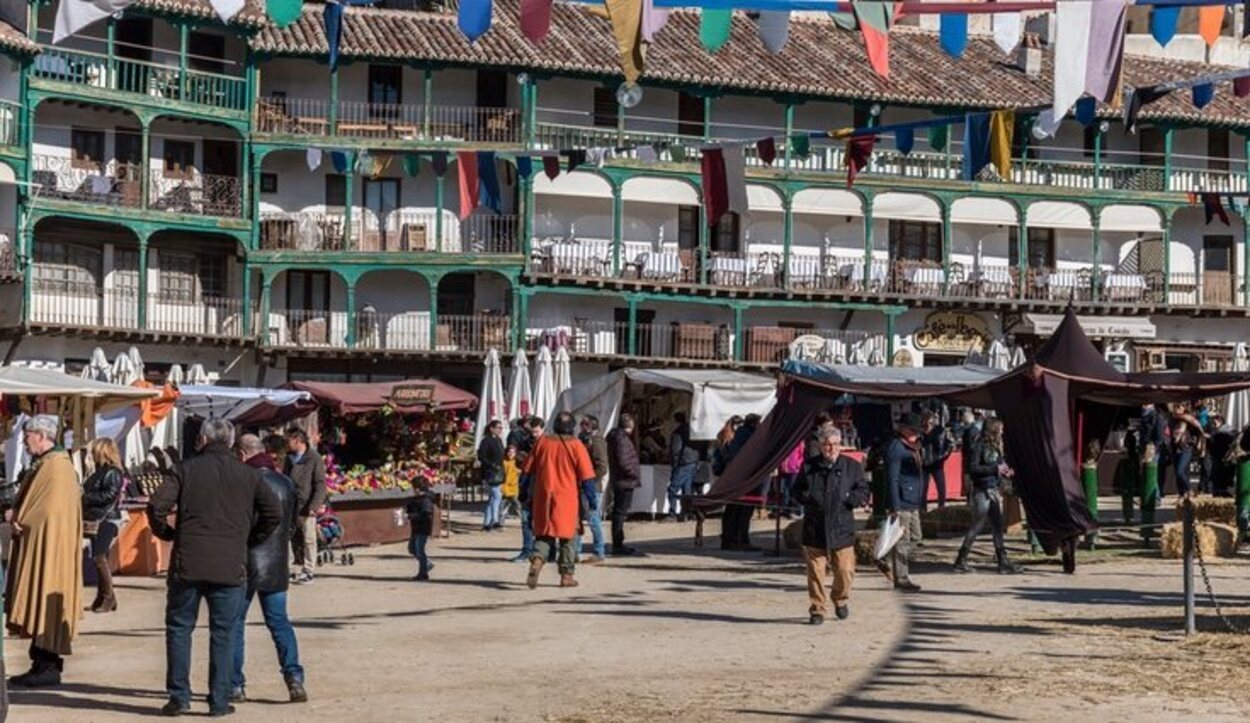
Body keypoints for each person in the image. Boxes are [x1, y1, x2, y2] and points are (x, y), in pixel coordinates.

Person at [148, 418, 282, 717]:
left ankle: (179, 696)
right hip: (231, 563)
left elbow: (156, 505)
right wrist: (249, 538)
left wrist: (168, 534)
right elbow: (274, 513)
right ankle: (219, 700)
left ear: (203, 440)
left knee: (180, 629)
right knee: (224, 632)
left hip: (188, 562)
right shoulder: (248, 475)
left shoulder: (184, 470)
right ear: (232, 442)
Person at [6, 415, 83, 688]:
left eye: (27, 436)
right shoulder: (47, 464)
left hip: (52, 548)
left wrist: (21, 518)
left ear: (41, 435)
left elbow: (50, 511)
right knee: (39, 597)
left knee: (46, 595)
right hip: (43, 544)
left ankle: (47, 665)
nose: (25, 442)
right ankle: (40, 662)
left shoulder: (57, 468)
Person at [230, 434, 307, 705]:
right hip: (275, 561)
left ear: (242, 454)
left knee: (236, 623)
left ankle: (235, 684)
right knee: (279, 622)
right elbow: (292, 524)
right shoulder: (285, 482)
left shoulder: (242, 482)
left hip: (245, 561)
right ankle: (294, 678)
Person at [793, 427, 869, 625]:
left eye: (835, 444)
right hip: (815, 527)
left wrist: (851, 500)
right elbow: (796, 491)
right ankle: (817, 609)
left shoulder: (851, 466)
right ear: (820, 445)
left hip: (841, 527)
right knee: (815, 573)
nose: (831, 448)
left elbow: (863, 490)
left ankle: (840, 599)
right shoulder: (808, 466)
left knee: (845, 571)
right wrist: (807, 498)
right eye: (827, 444)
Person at [524, 411, 595, 589]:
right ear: (572, 427)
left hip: (543, 496)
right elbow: (587, 478)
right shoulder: (576, 445)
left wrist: (523, 493)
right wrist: (592, 501)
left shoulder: (542, 442)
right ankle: (566, 576)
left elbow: (526, 471)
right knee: (568, 536)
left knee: (544, 534)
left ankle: (538, 560)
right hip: (567, 497)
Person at [953, 419, 1021, 575]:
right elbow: (973, 468)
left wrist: (1006, 471)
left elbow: (999, 464)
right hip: (981, 490)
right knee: (977, 524)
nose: (1003, 431)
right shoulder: (978, 446)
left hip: (993, 489)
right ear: (994, 429)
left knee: (997, 525)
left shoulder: (996, 447)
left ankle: (1003, 561)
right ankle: (960, 560)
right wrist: (994, 469)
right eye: (1001, 428)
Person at [82, 437, 126, 614]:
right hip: (97, 518)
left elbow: (110, 495)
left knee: (100, 557)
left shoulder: (112, 472)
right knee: (99, 557)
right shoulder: (99, 472)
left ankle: (107, 597)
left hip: (106, 519)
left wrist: (85, 498)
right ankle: (104, 596)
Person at [885, 413, 925, 593]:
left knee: (916, 538)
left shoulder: (912, 446)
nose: (917, 435)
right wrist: (894, 506)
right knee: (902, 541)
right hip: (901, 501)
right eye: (913, 431)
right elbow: (891, 479)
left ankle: (885, 560)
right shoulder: (896, 448)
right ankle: (901, 578)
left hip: (913, 499)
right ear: (903, 429)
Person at [285, 427, 327, 585]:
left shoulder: (314, 458)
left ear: (297, 440)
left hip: (307, 505)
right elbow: (285, 478)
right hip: (291, 504)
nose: (287, 444)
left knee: (309, 539)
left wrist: (315, 505)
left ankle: (309, 570)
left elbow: (320, 484)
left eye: (289, 440)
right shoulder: (289, 458)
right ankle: (288, 569)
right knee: (287, 538)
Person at [720, 414, 762, 551]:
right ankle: (741, 539)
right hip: (746, 478)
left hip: (734, 477)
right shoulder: (750, 436)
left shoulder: (738, 435)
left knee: (733, 509)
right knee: (744, 510)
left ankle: (729, 539)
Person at [606, 413, 641, 556]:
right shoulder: (622, 439)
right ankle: (618, 544)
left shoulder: (617, 438)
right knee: (620, 512)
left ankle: (618, 542)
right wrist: (632, 473)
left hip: (622, 479)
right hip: (625, 480)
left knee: (619, 512)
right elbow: (623, 460)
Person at [511, 416, 545, 562]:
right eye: (532, 432)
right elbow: (520, 463)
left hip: (542, 486)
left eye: (536, 431)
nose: (534, 435)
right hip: (527, 484)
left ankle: (544, 552)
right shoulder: (525, 441)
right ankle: (527, 551)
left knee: (543, 522)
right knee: (526, 521)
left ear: (542, 428)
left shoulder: (547, 444)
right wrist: (520, 456)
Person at [579, 415, 609, 563]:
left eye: (583, 424)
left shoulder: (597, 442)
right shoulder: (583, 439)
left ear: (590, 426)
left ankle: (599, 551)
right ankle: (575, 551)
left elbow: (602, 467)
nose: (580, 427)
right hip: (582, 484)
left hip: (592, 486)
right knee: (578, 519)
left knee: (593, 519)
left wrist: (589, 479)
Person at [667, 412, 700, 521]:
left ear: (675, 421)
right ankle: (686, 513)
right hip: (693, 462)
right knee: (687, 490)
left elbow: (676, 449)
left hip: (683, 463)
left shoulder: (678, 433)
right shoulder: (692, 430)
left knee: (673, 489)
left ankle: (672, 513)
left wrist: (675, 464)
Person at [478, 419, 506, 531]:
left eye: (501, 428)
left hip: (498, 472)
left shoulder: (498, 440)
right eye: (498, 427)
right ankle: (494, 520)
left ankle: (487, 522)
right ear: (492, 428)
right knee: (497, 496)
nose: (500, 430)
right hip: (490, 472)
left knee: (492, 498)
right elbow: (482, 457)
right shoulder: (486, 441)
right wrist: (492, 465)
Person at [406, 480, 436, 581]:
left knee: (419, 550)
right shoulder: (418, 498)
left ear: (417, 489)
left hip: (423, 528)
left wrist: (411, 515)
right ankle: (427, 564)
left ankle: (423, 574)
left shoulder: (426, 500)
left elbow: (425, 514)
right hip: (416, 527)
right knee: (412, 548)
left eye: (413, 488)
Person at [921, 412, 952, 509]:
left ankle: (941, 507)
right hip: (924, 463)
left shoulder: (939, 431)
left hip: (937, 463)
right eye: (925, 422)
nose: (927, 424)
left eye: (930, 422)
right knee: (923, 488)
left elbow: (948, 446)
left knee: (941, 487)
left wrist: (940, 458)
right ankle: (923, 509)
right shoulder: (920, 432)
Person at [1208, 414, 1236, 497]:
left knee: (1221, 473)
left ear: (1220, 421)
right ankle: (1220, 490)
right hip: (1219, 455)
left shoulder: (1225, 430)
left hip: (1223, 455)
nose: (1213, 424)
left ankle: (1220, 490)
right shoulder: (1217, 430)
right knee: (1219, 473)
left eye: (1214, 422)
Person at [500, 444, 522, 522]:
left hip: (514, 487)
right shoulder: (503, 462)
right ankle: (500, 522)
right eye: (509, 452)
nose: (510, 454)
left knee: (518, 506)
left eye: (513, 452)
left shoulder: (518, 462)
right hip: (504, 487)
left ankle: (524, 521)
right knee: (502, 507)